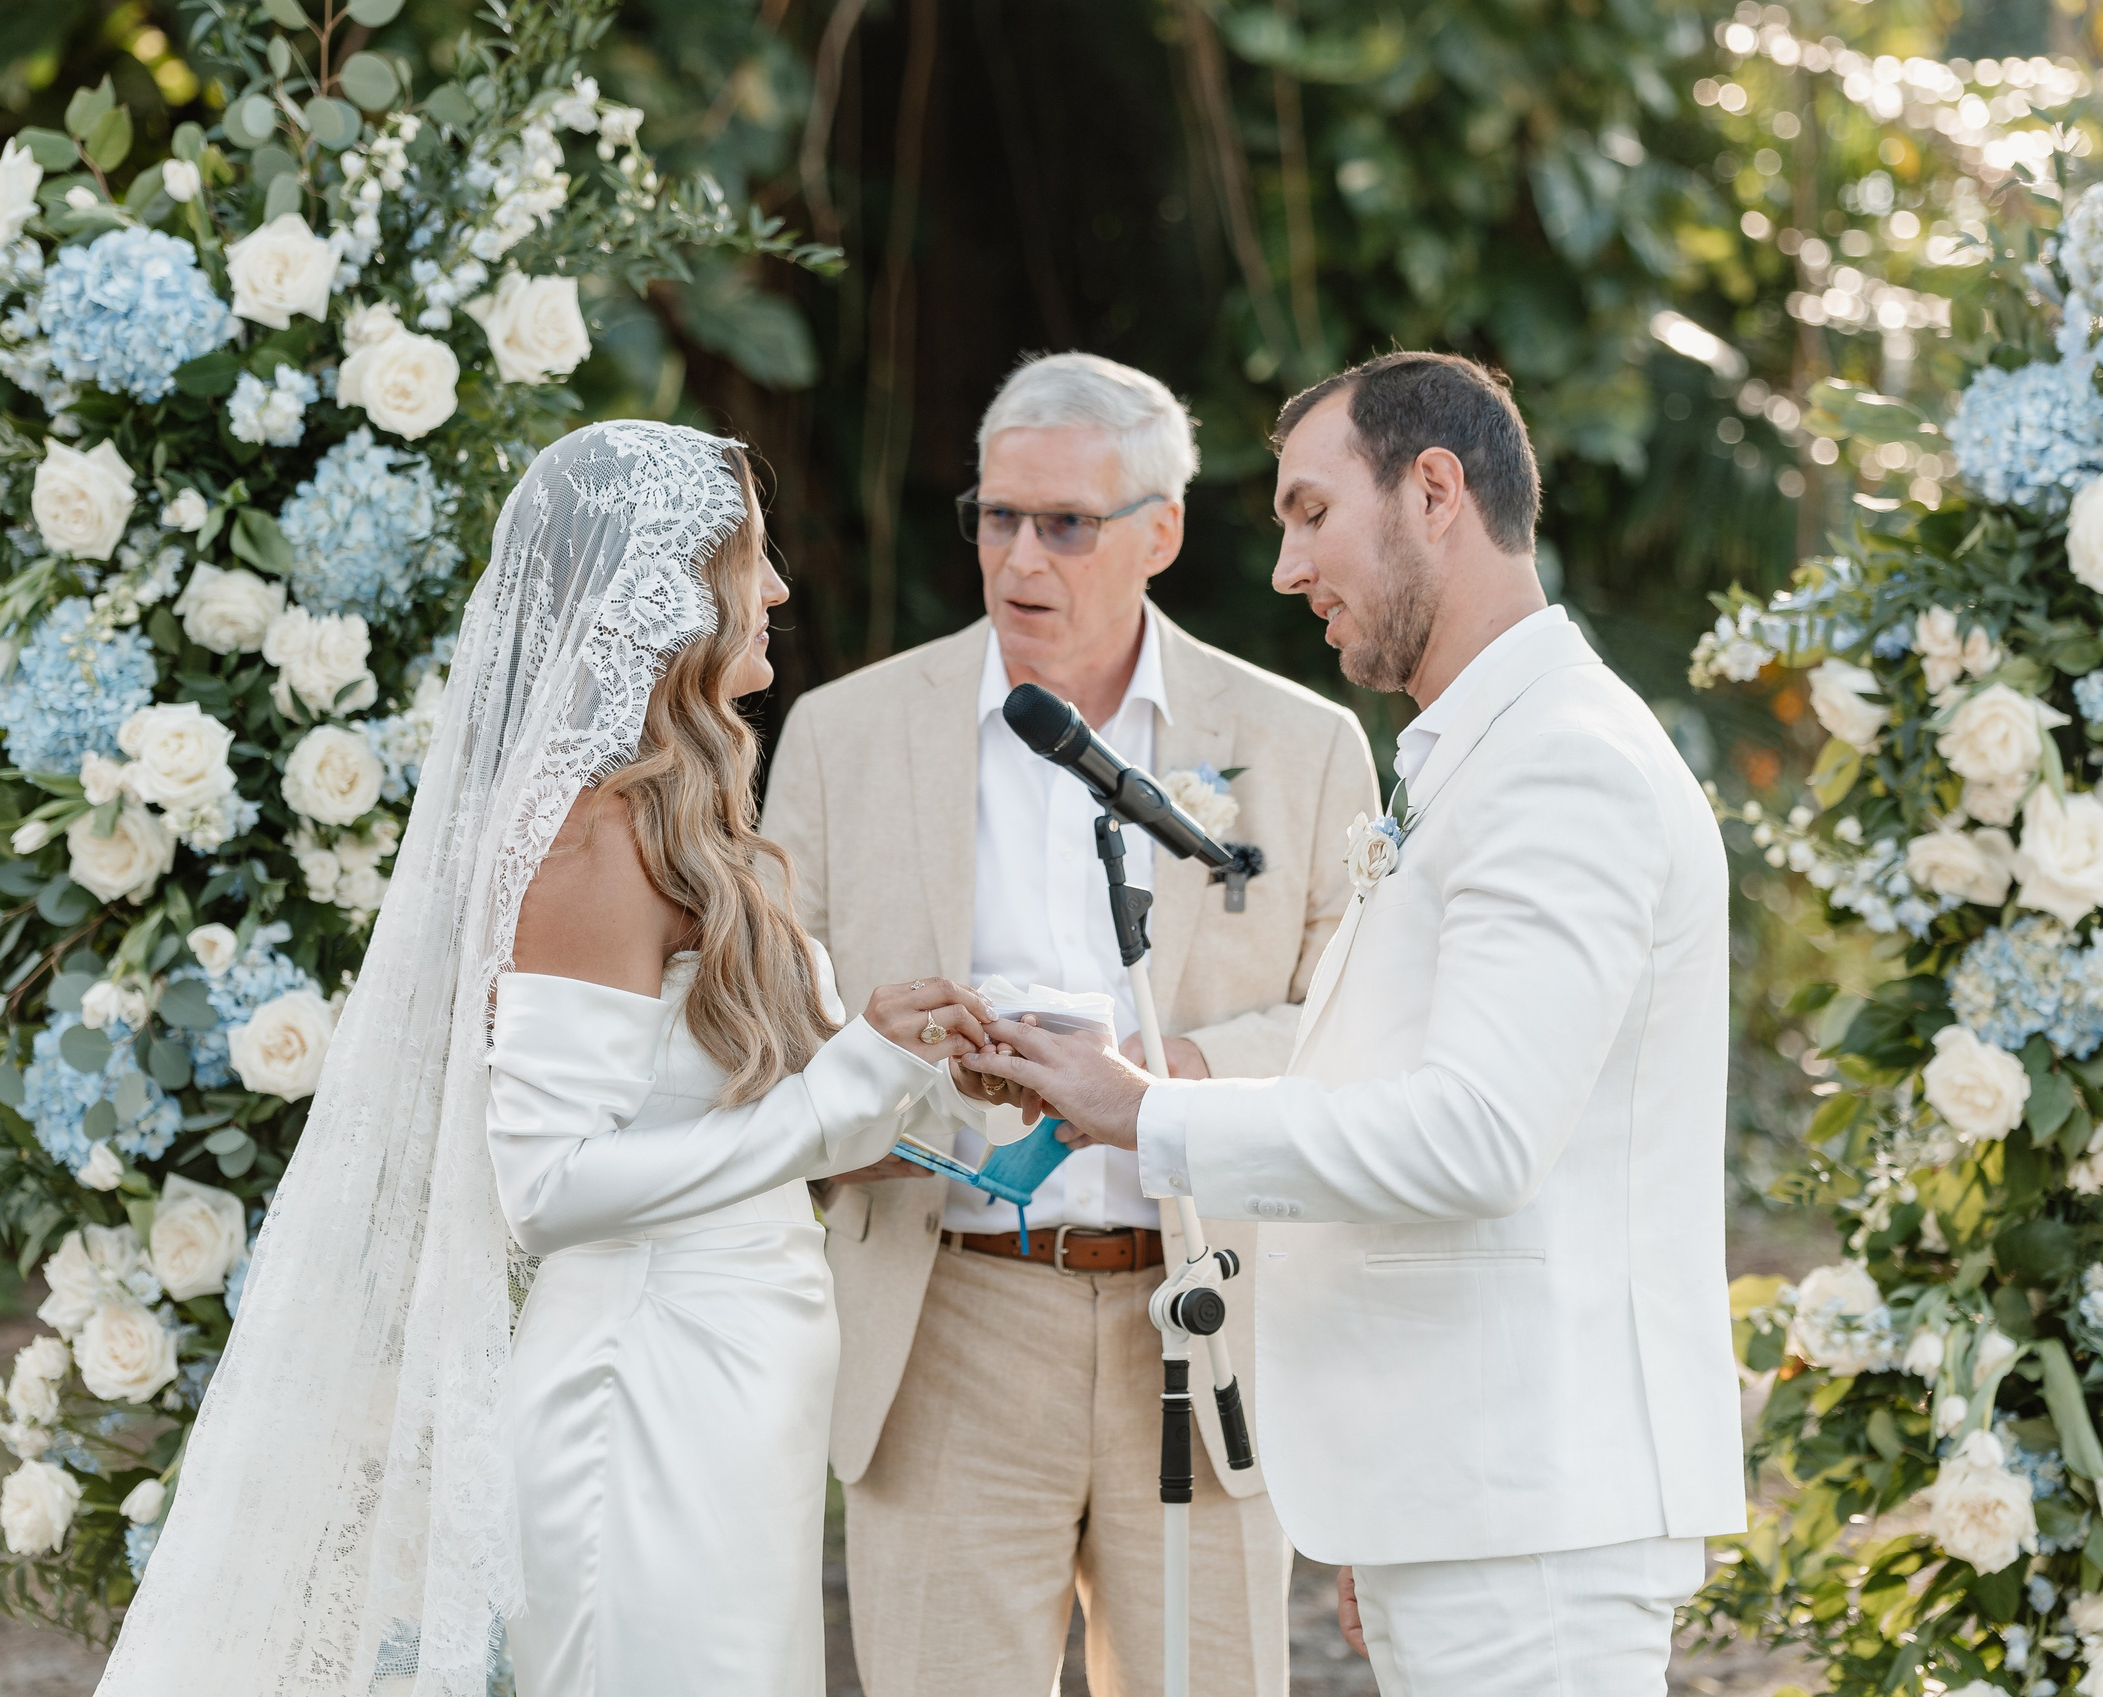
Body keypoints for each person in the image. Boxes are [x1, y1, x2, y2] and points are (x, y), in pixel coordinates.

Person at [95, 421, 992, 1697]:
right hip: (645, 1388)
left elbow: (785, 1120)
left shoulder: (686, 815)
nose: (780, 587)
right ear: (662, 588)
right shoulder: (587, 839)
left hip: (741, 1375)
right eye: (751, 555)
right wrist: (840, 1086)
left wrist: (906, 1057)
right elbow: (549, 1188)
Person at [958, 352, 1747, 1697]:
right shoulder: (1484, 753)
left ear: (1435, 491)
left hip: (1533, 1521)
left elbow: (1477, 1138)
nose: (1285, 567)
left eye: (1312, 513)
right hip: (1470, 1502)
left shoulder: (1563, 765)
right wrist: (1387, 1512)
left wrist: (1145, 1110)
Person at [763, 352, 1377, 1697]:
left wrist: (1171, 1078)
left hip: (1207, 1311)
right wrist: (884, 1074)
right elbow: (761, 1026)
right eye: (997, 517)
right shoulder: (841, 734)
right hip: (950, 1317)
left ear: (1160, 531)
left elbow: (1360, 1033)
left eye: (1066, 524)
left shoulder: (1304, 742)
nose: (1019, 557)